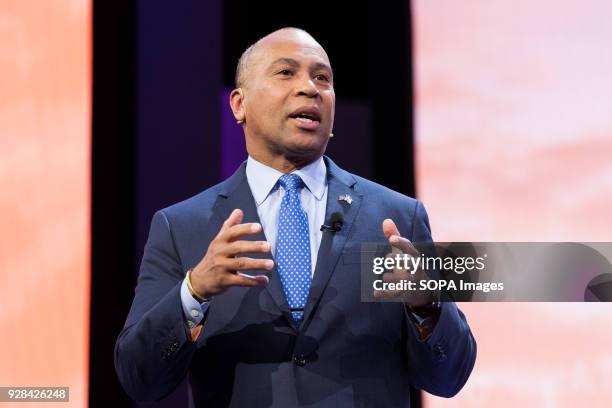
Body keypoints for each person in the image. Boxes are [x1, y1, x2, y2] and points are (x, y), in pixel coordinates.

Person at [114, 27, 476, 407]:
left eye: (322, 78)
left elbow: (450, 377)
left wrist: (428, 305)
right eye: (286, 72)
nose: (310, 88)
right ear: (239, 104)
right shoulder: (181, 227)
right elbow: (140, 378)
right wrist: (195, 290)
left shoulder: (398, 216)